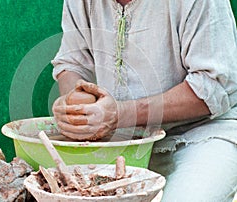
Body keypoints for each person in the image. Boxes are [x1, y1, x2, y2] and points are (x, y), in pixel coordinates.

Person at [51, 0, 237, 201]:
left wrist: (120, 114)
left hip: (201, 135)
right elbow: (72, 63)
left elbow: (213, 85)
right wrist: (75, 108)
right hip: (122, 142)